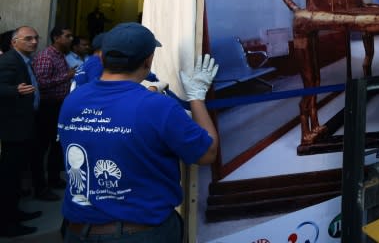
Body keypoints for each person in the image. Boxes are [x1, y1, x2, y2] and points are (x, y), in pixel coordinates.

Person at [58, 22, 220, 242]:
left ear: (103, 58)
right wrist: (197, 98)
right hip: (140, 233)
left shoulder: (73, 100)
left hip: (77, 231)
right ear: (148, 60)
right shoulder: (155, 107)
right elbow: (207, 153)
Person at [0, 26, 43, 237]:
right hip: (12, 131)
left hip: (24, 126)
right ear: (14, 42)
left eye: (36, 38)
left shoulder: (24, 60)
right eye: (28, 39)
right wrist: (14, 90)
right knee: (8, 178)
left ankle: (15, 214)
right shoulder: (9, 60)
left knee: (16, 176)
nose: (34, 42)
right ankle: (7, 224)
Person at [31, 24, 76, 200]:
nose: (71, 39)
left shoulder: (60, 56)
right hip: (47, 108)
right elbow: (41, 83)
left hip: (59, 107)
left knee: (57, 144)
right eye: (68, 36)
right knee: (42, 147)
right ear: (57, 38)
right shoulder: (46, 56)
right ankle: (40, 187)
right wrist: (67, 76)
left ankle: (54, 179)